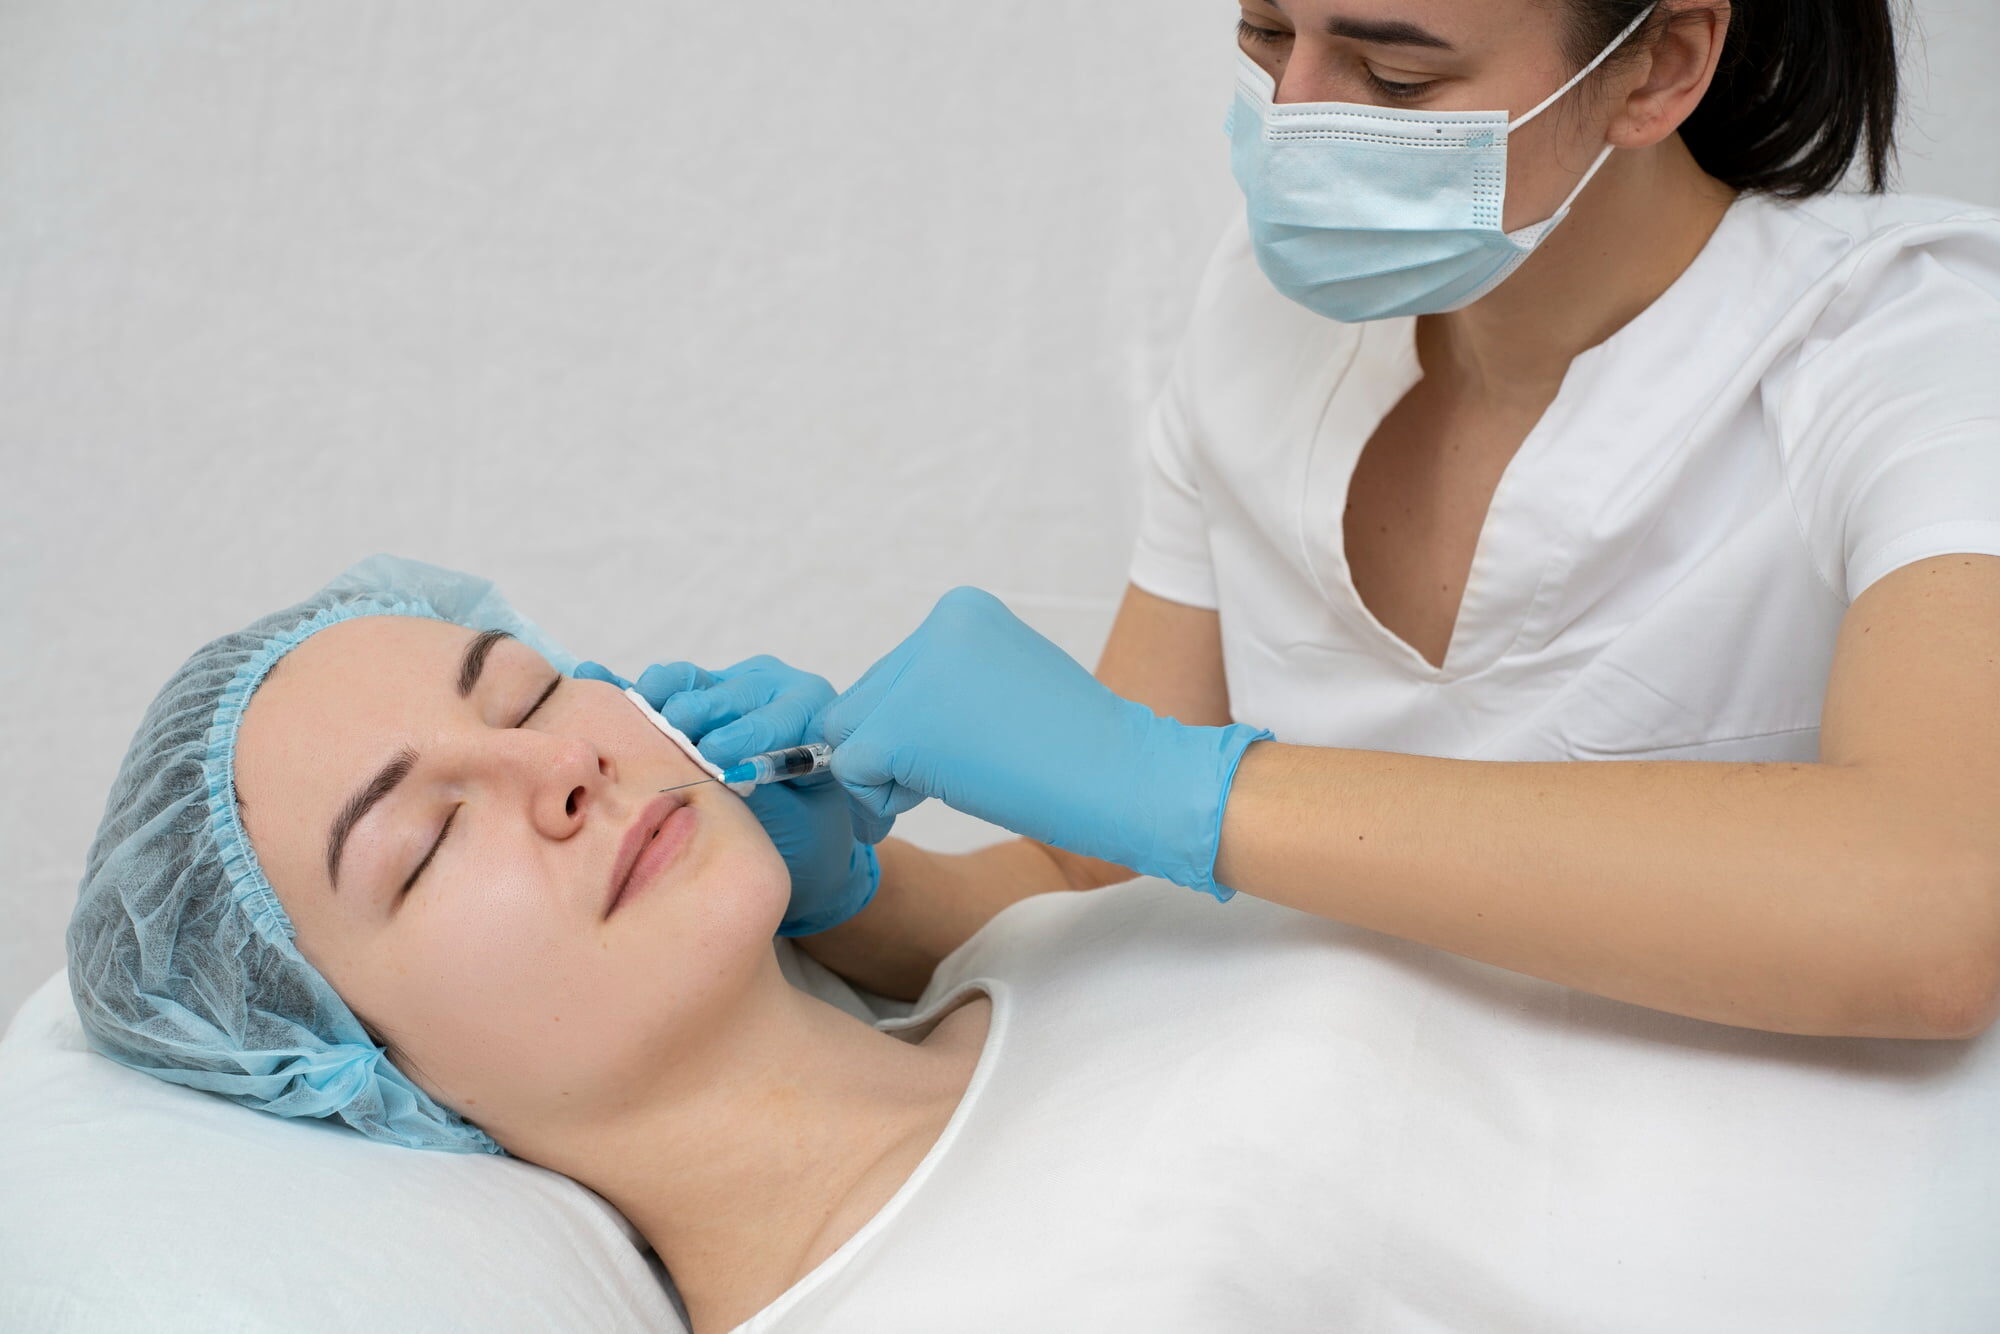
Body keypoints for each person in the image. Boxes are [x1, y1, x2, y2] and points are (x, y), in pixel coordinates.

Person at [71, 557, 1991, 1332]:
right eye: (425, 841)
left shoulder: (1022, 966)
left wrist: (886, 893)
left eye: (522, 689)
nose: (553, 766)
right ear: (365, 1075)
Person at [640, 0, 2000, 1045]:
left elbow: (1936, 908)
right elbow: (1088, 879)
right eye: (1266, 35)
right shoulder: (1263, 316)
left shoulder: (1910, 343)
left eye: (1395, 77)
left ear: (1659, 65)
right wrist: (842, 892)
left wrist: (1192, 788)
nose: (1294, 119)